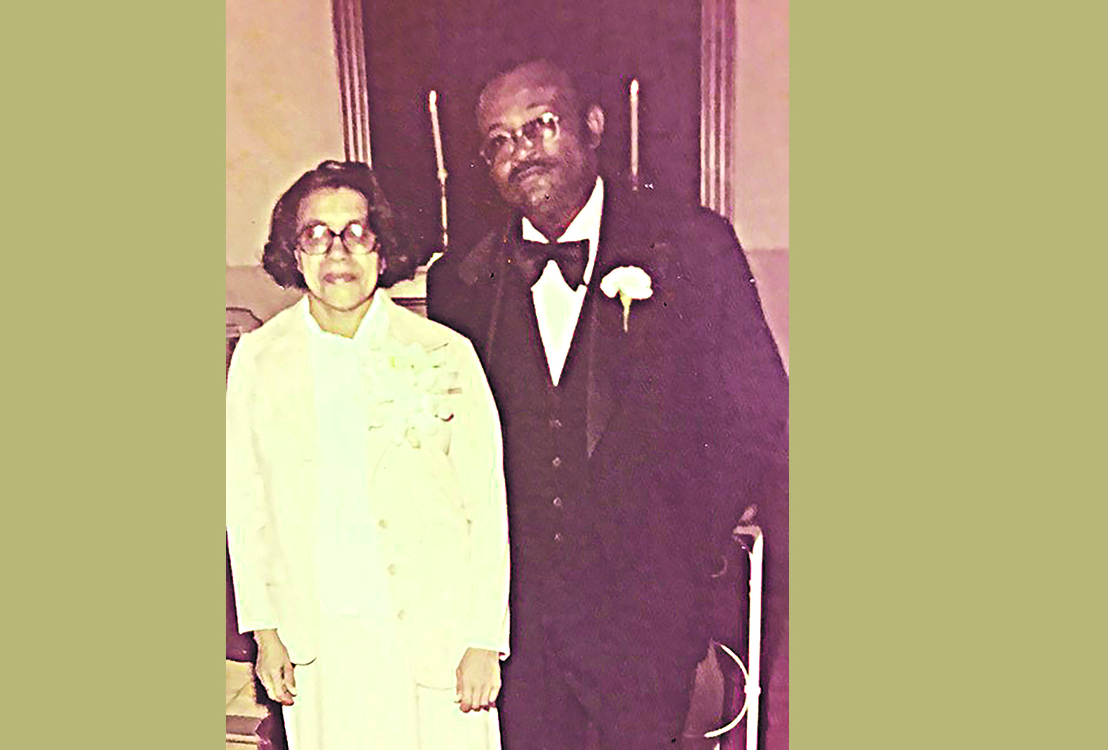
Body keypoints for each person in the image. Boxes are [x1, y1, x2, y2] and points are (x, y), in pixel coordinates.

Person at [427, 61, 789, 749]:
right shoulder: (461, 279)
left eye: (540, 124)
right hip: (520, 626)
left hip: (648, 612)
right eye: (498, 141)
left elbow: (757, 408)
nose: (521, 151)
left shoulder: (693, 247)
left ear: (592, 125)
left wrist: (688, 546)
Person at [227, 160, 510, 750]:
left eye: (357, 232)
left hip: (435, 637)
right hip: (321, 640)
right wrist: (265, 630)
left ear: (382, 251)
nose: (338, 251)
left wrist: (485, 638)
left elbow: (486, 505)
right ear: (294, 253)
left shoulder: (444, 351)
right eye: (316, 234)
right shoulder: (259, 358)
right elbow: (246, 504)